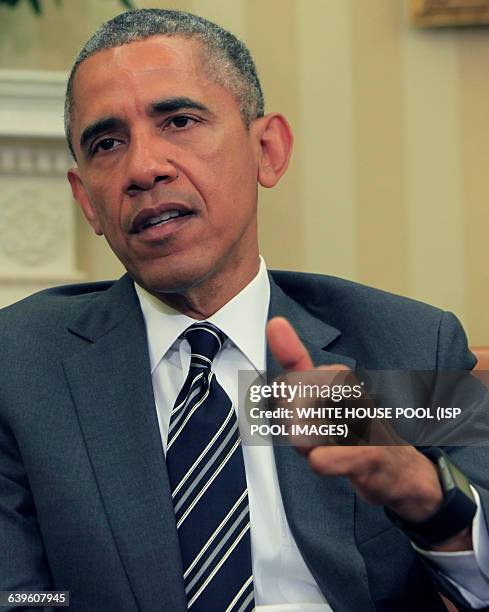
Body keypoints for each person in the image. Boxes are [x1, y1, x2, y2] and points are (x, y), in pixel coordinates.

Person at [1, 8, 488, 612]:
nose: (143, 168)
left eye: (179, 120)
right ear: (87, 202)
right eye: (107, 143)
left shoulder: (406, 342)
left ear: (268, 150)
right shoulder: (20, 367)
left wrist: (427, 497)